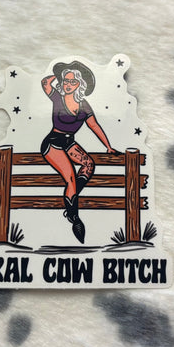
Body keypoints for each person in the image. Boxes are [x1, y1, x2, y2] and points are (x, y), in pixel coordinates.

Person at [41, 60, 118, 243]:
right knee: (70, 179)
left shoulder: (84, 105)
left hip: (69, 143)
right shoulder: (57, 97)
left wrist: (108, 146)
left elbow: (94, 126)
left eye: (73, 81)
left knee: (89, 165)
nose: (68, 85)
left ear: (80, 84)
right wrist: (59, 73)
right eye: (66, 81)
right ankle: (74, 217)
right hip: (53, 143)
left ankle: (71, 198)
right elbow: (45, 82)